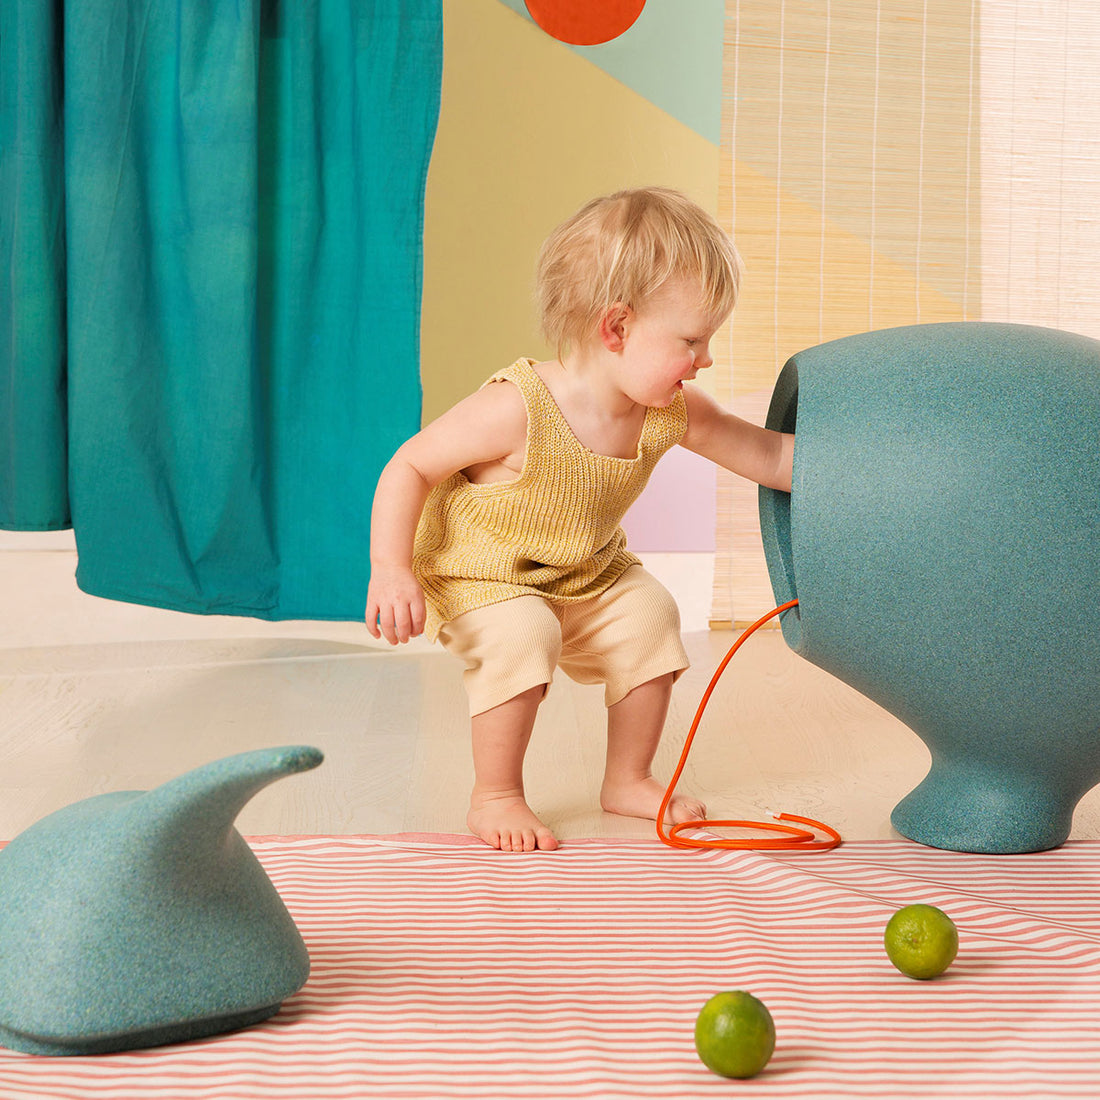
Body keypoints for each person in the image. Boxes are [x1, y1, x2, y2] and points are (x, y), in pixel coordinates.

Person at [365, 187, 793, 853]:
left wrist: (857, 469)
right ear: (616, 328)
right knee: (523, 631)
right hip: (484, 576)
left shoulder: (668, 409)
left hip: (584, 572)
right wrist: (390, 571)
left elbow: (767, 455)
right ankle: (496, 794)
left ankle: (628, 779)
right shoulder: (519, 407)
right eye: (692, 340)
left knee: (651, 611)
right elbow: (410, 466)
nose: (704, 358)